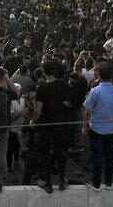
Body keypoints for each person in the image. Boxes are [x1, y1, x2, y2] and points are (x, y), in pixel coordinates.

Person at [83, 62, 113, 189]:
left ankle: (96, 184)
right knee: (110, 157)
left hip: (96, 129)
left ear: (99, 75)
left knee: (97, 157)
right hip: (112, 129)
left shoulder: (95, 91)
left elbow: (87, 111)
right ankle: (108, 183)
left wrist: (84, 127)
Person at [33, 60, 72, 193]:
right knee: (60, 152)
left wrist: (33, 121)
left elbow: (38, 110)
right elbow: (68, 103)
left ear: (44, 72)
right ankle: (61, 180)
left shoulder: (42, 88)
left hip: (46, 125)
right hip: (61, 124)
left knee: (46, 154)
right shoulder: (64, 85)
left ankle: (47, 183)